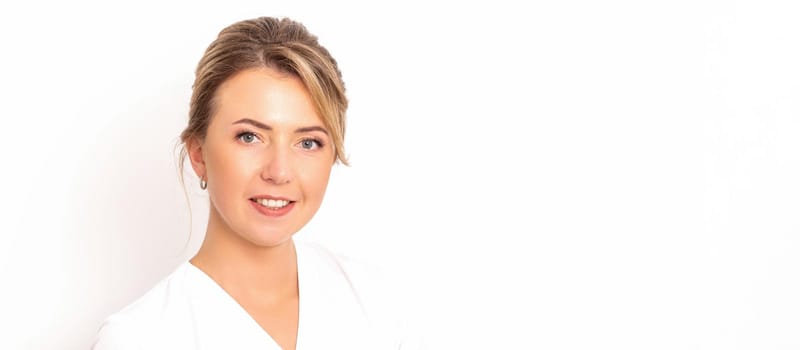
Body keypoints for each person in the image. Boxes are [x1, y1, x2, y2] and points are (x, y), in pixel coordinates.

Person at [93, 17, 421, 349]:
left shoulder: (373, 299)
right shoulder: (139, 337)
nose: (279, 172)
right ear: (198, 153)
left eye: (308, 142)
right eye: (250, 137)